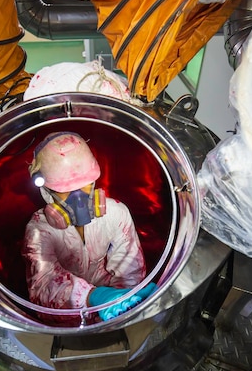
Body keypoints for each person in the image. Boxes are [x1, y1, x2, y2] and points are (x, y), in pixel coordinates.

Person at [22, 132, 156, 321]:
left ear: (94, 180)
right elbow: (44, 287)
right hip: (67, 317)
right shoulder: (39, 231)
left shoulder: (115, 213)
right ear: (46, 190)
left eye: (85, 184)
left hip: (112, 307)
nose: (79, 197)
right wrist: (92, 297)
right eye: (65, 189)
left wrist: (126, 301)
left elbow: (129, 267)